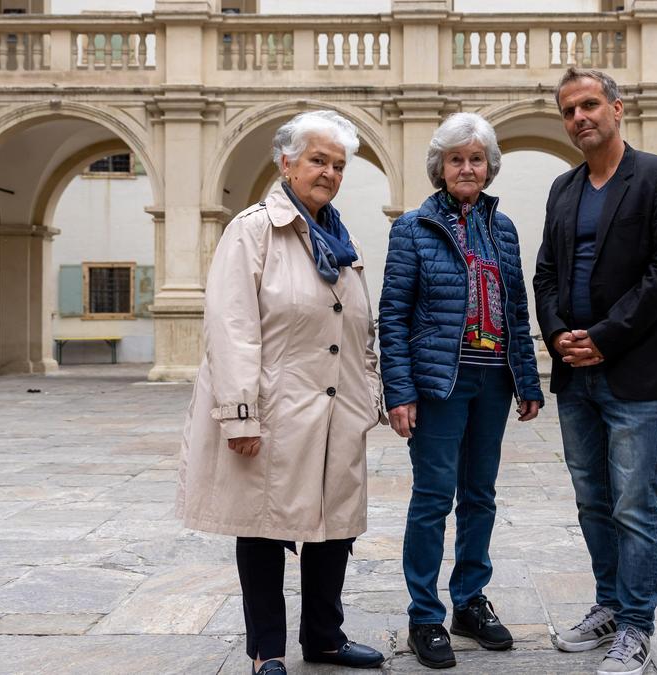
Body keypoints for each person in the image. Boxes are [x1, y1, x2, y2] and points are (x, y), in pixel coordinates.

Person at [177, 110, 386, 675]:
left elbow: (359, 325)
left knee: (332, 529)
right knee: (264, 529)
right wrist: (240, 415)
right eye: (318, 160)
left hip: (335, 409)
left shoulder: (341, 237)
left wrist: (369, 396)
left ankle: (325, 639)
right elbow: (231, 327)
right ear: (286, 162)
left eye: (339, 165)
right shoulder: (252, 229)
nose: (329, 173)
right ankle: (266, 650)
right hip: (274, 408)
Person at [533, 68, 657, 675]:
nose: (580, 117)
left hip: (632, 370)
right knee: (592, 499)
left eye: (591, 104)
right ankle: (607, 603)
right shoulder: (563, 189)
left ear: (617, 108)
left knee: (634, 502)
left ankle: (635, 624)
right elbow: (546, 273)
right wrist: (557, 335)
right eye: (570, 109)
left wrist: (604, 338)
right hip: (575, 373)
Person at [379, 112, 544, 669]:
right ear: (440, 168)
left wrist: (528, 378)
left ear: (489, 167)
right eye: (456, 159)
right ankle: (425, 614)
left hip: (493, 380)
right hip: (438, 386)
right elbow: (393, 316)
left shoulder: (504, 229)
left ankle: (469, 601)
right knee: (432, 499)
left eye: (476, 159)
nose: (467, 167)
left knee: (480, 497)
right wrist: (398, 392)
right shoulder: (412, 228)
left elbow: (517, 310)